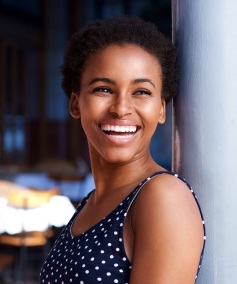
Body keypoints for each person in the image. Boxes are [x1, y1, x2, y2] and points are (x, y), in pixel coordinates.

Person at [40, 16, 205, 283]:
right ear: (75, 104)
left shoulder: (163, 196)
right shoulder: (90, 204)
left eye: (141, 92)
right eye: (103, 89)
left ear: (161, 109)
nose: (121, 108)